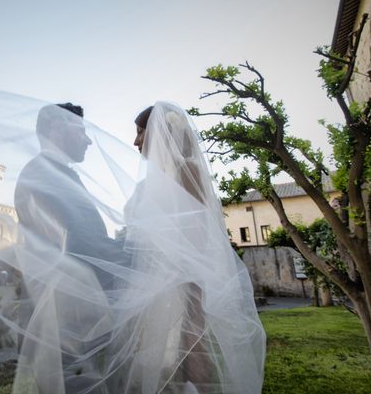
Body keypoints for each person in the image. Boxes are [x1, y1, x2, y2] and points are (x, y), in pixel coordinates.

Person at [108, 102, 266, 393]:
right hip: (152, 280)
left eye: (141, 132)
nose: (135, 141)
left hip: (181, 279)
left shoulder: (186, 170)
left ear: (161, 133)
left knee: (192, 344)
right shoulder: (152, 181)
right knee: (158, 355)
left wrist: (183, 284)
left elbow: (197, 232)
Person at [13, 102, 129, 393]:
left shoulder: (51, 172)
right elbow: (79, 242)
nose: (89, 140)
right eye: (81, 130)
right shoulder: (43, 175)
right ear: (56, 128)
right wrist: (136, 257)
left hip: (73, 312)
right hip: (65, 318)